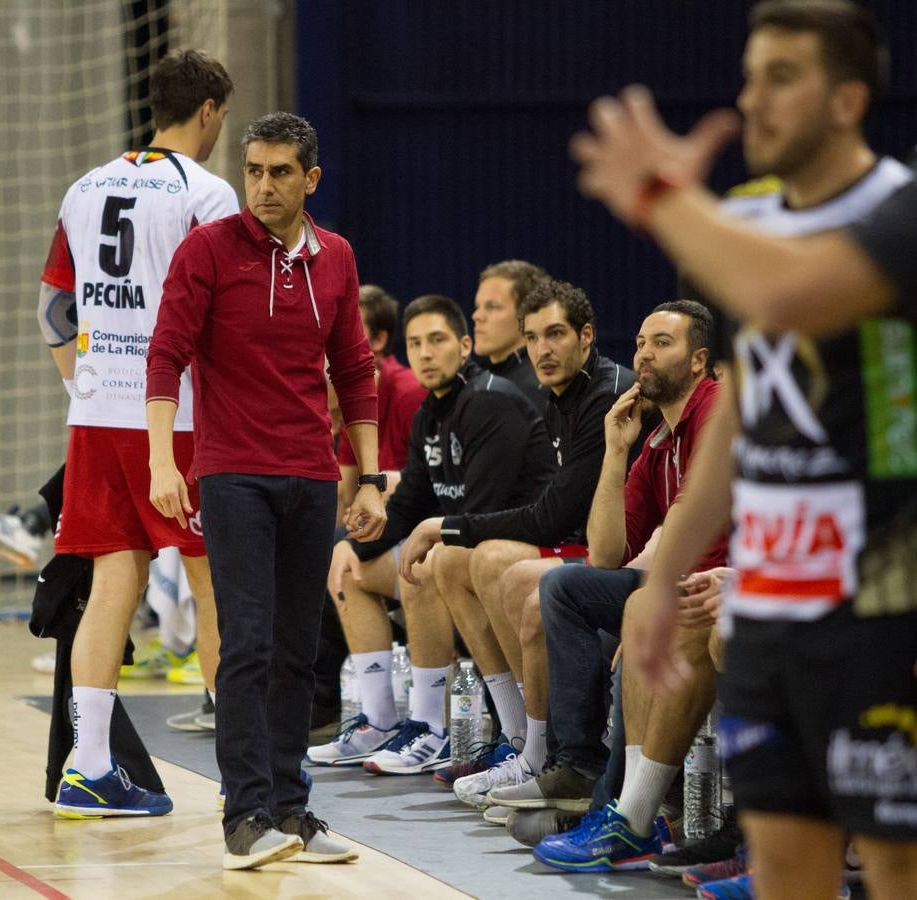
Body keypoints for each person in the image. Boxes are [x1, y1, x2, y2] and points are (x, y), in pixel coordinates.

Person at [571, 2, 917, 897]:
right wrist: (663, 575)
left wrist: (658, 197)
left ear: (846, 101)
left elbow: (796, 292)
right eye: (748, 75)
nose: (751, 100)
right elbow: (745, 410)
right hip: (768, 600)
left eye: (781, 78)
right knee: (785, 861)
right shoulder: (754, 211)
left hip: (877, 597)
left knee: (891, 863)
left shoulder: (899, 212)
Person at [147, 111, 383, 870]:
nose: (263, 185)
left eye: (280, 172)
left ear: (310, 179)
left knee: (295, 650)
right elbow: (165, 356)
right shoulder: (207, 249)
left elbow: (353, 370)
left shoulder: (336, 258)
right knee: (245, 644)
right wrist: (160, 461)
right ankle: (243, 812)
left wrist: (370, 476)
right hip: (231, 474)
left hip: (311, 476)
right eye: (253, 169)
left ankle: (290, 807)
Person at [45, 49, 236, 822]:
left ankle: (87, 771)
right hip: (180, 417)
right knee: (216, 587)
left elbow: (53, 311)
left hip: (96, 415)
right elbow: (227, 317)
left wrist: (82, 384)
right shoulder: (208, 194)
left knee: (112, 585)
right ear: (211, 111)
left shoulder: (84, 187)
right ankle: (243, 783)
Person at [486, 302, 728, 858]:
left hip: (717, 585)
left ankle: (614, 807)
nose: (643, 353)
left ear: (698, 360)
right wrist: (616, 452)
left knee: (626, 614)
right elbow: (605, 552)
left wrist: (641, 613)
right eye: (641, 341)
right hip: (676, 586)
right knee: (567, 587)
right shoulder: (656, 439)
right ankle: (575, 765)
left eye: (661, 343)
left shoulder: (714, 412)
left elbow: (687, 531)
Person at [400, 278, 635, 804]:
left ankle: (542, 751)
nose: (542, 350)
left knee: (493, 563)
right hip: (588, 542)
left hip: (629, 554)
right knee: (455, 562)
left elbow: (550, 516)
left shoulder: (606, 394)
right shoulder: (559, 398)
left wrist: (443, 524)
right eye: (533, 338)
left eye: (555, 334)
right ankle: (518, 743)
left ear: (587, 335)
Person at [309, 294, 555, 773]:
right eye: (416, 342)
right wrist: (351, 545)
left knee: (427, 562)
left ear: (465, 346)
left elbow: (487, 510)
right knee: (350, 569)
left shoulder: (489, 401)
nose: (424, 353)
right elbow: (409, 504)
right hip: (472, 548)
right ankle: (380, 722)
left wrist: (427, 534)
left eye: (437, 340)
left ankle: (433, 728)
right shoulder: (432, 414)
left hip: (527, 546)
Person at [334, 284, 425, 519]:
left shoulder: (411, 394)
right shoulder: (346, 401)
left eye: (349, 328)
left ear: (379, 339)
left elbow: (432, 488)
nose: (335, 338)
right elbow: (345, 493)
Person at [472, 260, 550, 414]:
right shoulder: (484, 380)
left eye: (492, 307)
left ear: (527, 316)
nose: (476, 316)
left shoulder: (538, 387)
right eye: (477, 306)